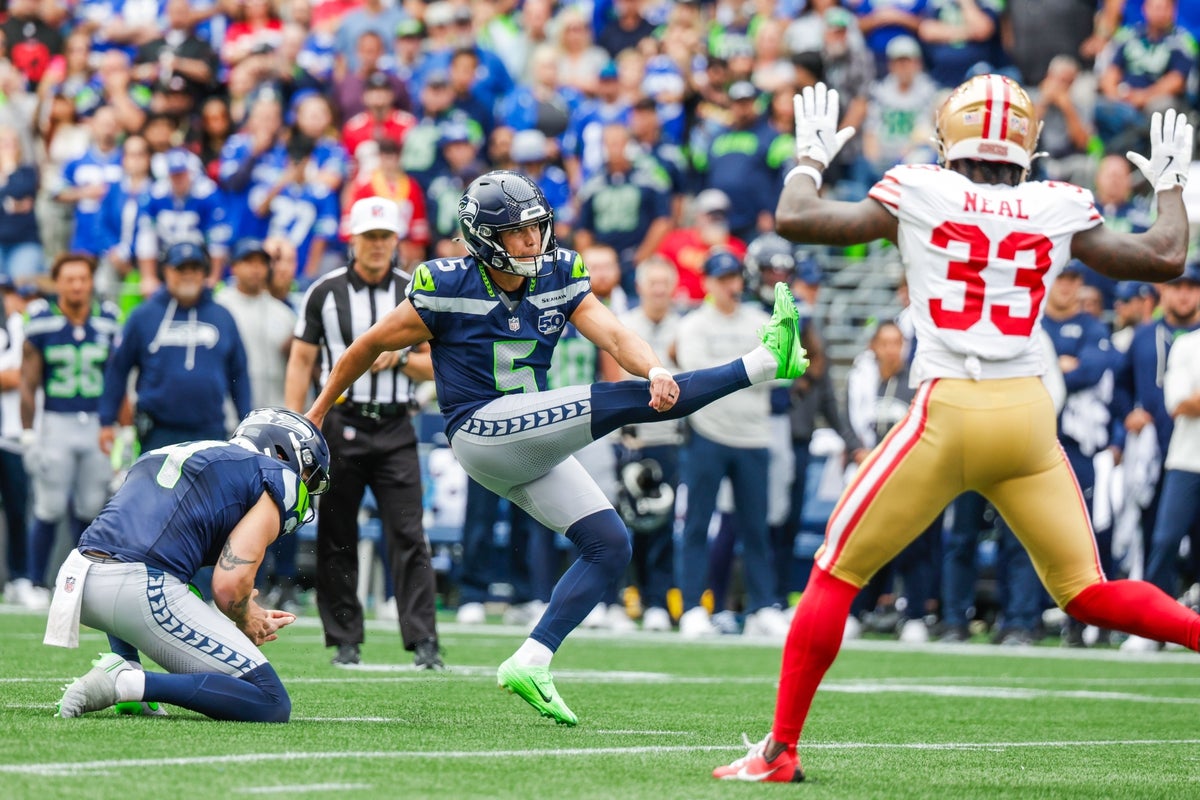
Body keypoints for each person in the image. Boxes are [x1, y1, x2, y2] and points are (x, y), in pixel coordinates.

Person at [713, 77, 1194, 783]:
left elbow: (794, 216)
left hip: (948, 410)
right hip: (1027, 417)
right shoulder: (1056, 204)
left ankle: (780, 751)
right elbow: (1165, 256)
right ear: (1027, 144)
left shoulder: (919, 188)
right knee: (1086, 590)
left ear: (950, 138)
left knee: (833, 574)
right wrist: (1174, 184)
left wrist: (811, 157)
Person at [304, 170, 808, 726]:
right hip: (479, 430)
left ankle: (533, 658)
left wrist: (656, 366)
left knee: (610, 544)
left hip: (527, 438)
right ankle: (762, 363)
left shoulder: (559, 274)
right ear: (485, 237)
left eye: (537, 228)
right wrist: (320, 408)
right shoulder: (446, 285)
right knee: (624, 400)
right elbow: (366, 345)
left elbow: (614, 335)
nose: (533, 242)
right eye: (518, 233)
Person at [47, 408, 329, 722]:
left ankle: (126, 662)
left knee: (184, 586)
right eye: (307, 473)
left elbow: (128, 537)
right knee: (270, 700)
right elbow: (228, 586)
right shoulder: (276, 476)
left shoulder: (181, 452)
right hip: (137, 586)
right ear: (283, 451)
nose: (304, 484)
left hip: (78, 579)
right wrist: (246, 617)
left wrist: (244, 605)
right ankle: (127, 682)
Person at [284, 195, 442, 671]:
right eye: (369, 237)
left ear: (396, 240)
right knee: (336, 533)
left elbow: (438, 363)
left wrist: (405, 361)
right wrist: (296, 422)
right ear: (353, 239)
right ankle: (344, 638)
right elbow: (302, 359)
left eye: (385, 237)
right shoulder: (324, 292)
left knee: (409, 533)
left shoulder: (416, 290)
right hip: (341, 422)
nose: (377, 246)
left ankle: (423, 641)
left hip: (396, 421)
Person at [20, 253, 119, 603]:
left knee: (91, 508)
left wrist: (122, 429)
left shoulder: (108, 321)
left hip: (96, 424)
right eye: (69, 279)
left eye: (82, 279)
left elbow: (117, 380)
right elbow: (28, 383)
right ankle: (35, 583)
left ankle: (83, 585)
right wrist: (29, 433)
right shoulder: (42, 321)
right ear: (58, 283)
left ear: (91, 282)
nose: (77, 285)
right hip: (57, 423)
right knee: (48, 506)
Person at [98, 241, 251, 456]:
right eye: (180, 268)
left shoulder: (222, 316)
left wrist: (246, 424)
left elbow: (239, 373)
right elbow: (118, 369)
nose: (188, 275)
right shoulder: (143, 316)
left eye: (195, 268)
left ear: (204, 272)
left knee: (209, 490)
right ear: (166, 271)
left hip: (211, 430)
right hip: (158, 431)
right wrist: (107, 420)